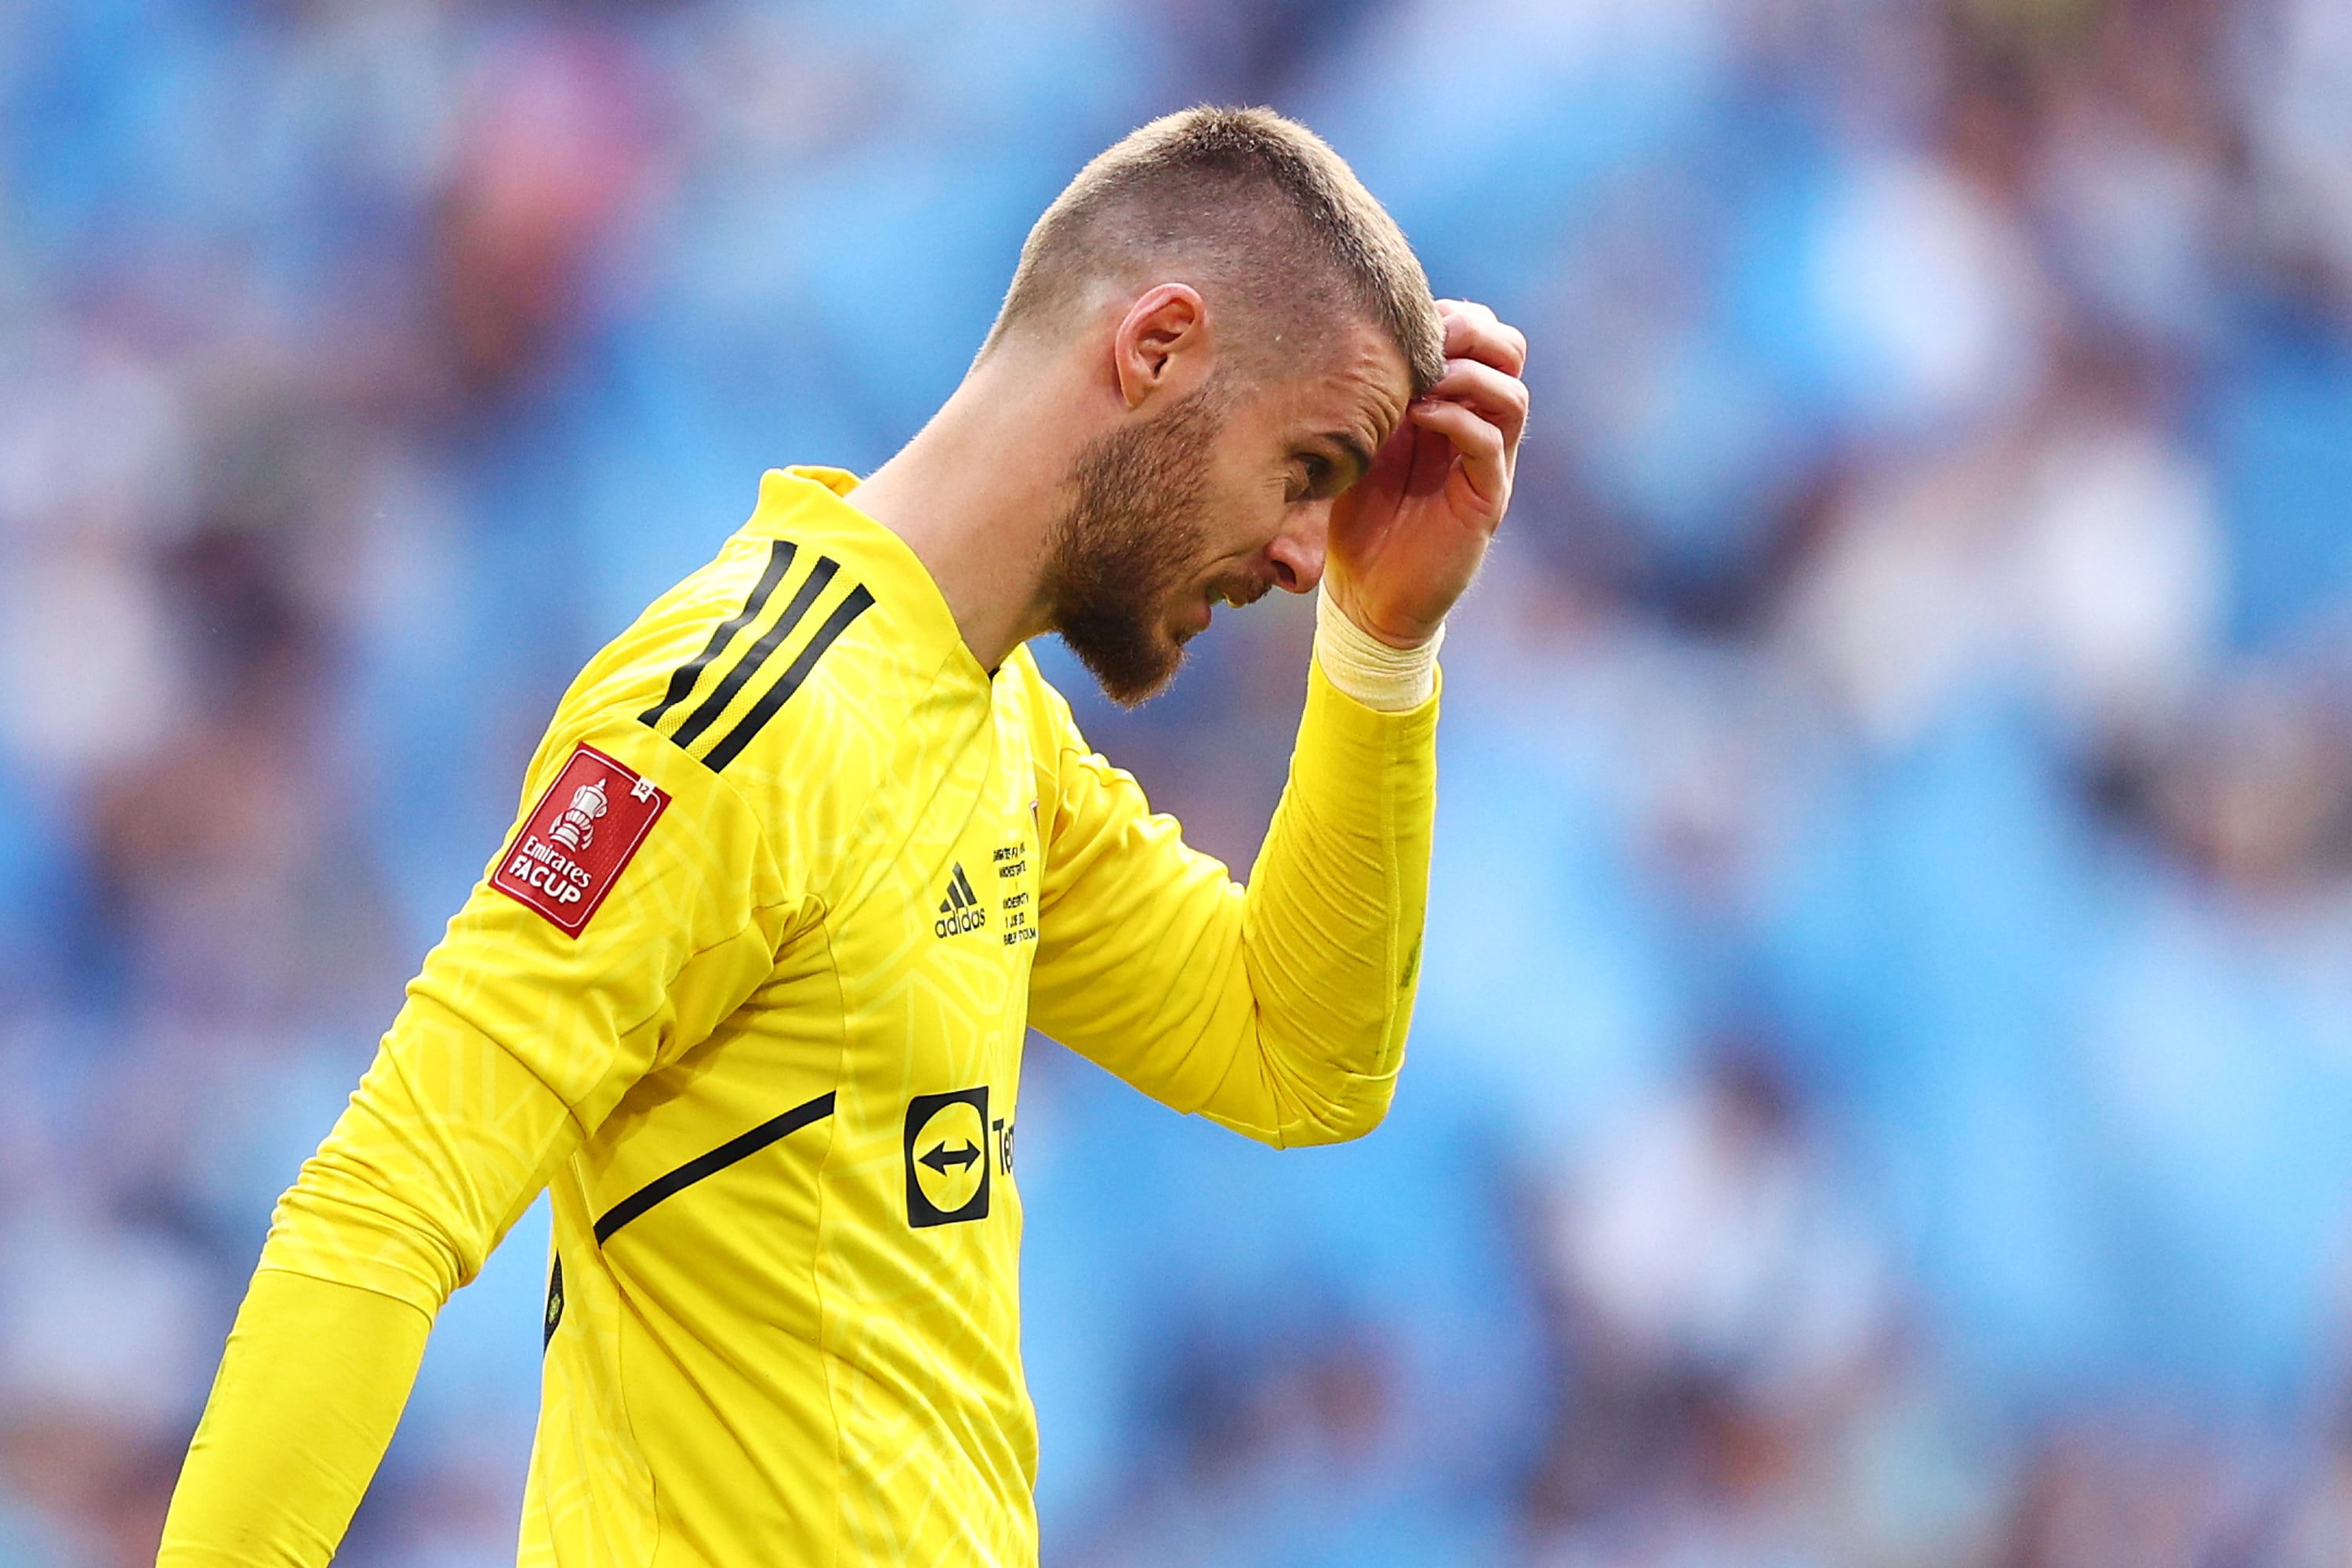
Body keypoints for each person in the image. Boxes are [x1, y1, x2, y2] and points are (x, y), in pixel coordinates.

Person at [157, 105, 1527, 1566]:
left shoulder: (998, 731)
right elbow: (383, 1203)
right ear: (1159, 347)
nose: (1304, 553)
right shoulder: (727, 715)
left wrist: (1381, 649)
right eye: (1307, 469)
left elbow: (1297, 1055)